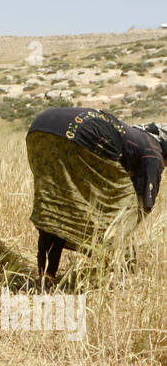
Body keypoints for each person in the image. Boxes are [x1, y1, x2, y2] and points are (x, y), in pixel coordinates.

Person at [26, 108, 166, 281]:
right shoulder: (154, 152)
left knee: (58, 205)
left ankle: (46, 275)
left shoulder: (136, 136)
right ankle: (121, 272)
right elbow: (143, 202)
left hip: (39, 129)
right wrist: (116, 236)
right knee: (120, 204)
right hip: (81, 134)